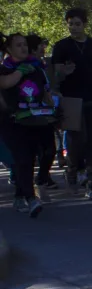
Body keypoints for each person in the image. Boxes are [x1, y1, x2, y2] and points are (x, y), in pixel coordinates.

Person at [51, 8, 92, 200]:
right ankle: (72, 170)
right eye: (70, 24)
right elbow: (55, 75)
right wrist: (64, 73)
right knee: (76, 139)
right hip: (71, 98)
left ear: (84, 24)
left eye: (77, 24)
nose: (74, 28)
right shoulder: (61, 46)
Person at [0, 32, 58, 217]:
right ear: (8, 49)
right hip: (13, 121)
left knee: (47, 151)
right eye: (18, 45)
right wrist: (20, 71)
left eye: (24, 44)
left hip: (37, 119)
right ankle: (30, 198)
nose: (23, 48)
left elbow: (47, 94)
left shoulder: (38, 68)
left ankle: (32, 186)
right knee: (23, 159)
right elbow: (5, 83)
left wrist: (55, 107)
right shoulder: (5, 68)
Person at [26, 34, 58, 194]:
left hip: (46, 113)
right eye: (41, 45)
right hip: (32, 114)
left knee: (49, 149)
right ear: (32, 48)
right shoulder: (26, 67)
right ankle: (30, 184)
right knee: (36, 151)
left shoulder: (41, 65)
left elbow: (47, 87)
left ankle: (42, 177)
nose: (43, 48)